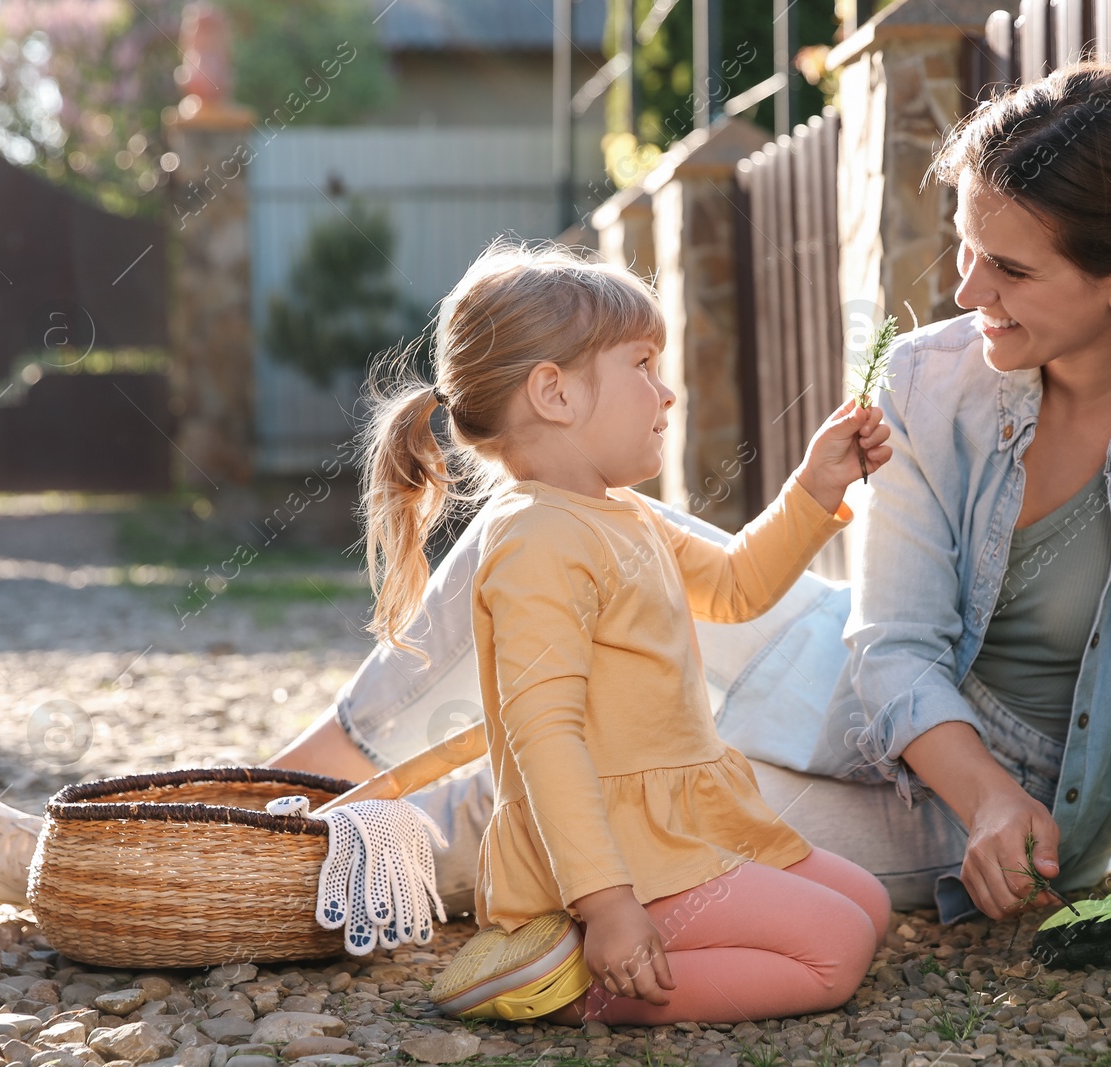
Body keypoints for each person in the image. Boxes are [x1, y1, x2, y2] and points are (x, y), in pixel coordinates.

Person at [0, 61, 1111, 949]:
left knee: (553, 816)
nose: (961, 290)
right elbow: (890, 641)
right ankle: (250, 798)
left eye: (1008, 269)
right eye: (961, 246)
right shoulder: (943, 378)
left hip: (953, 817)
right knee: (531, 535)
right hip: (843, 671)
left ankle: (77, 875)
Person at [347, 240, 894, 1024]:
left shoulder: (620, 513)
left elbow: (737, 587)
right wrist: (606, 903)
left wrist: (816, 486)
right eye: (642, 366)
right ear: (554, 393)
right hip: (613, 856)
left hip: (677, 825)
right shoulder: (535, 540)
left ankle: (633, 951)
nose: (666, 394)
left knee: (868, 903)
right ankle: (573, 988)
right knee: (835, 949)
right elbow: (546, 737)